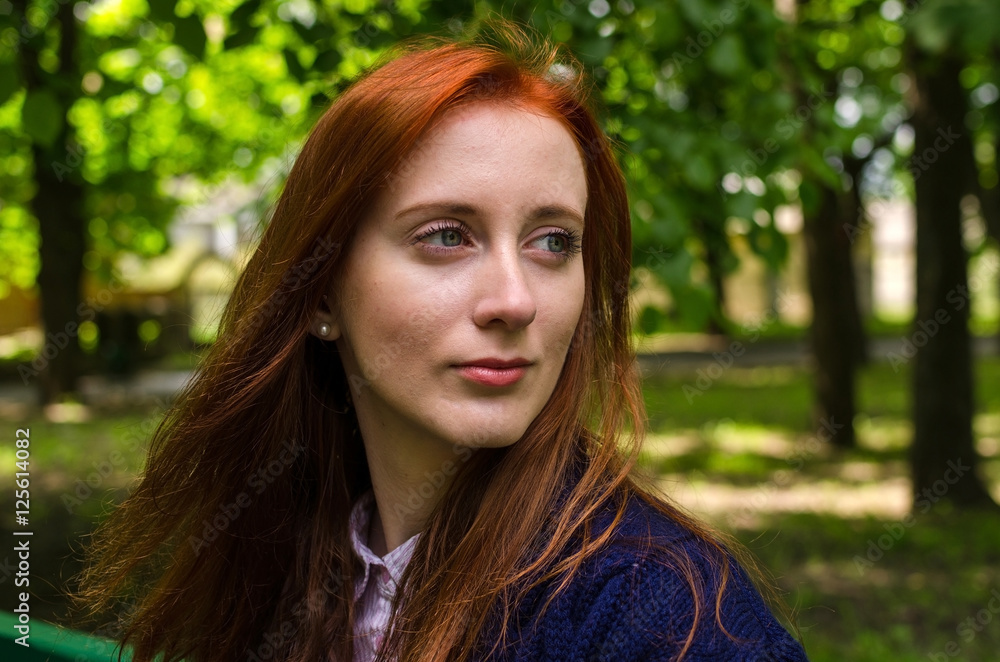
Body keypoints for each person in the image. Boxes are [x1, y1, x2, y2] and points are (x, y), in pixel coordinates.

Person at [76, 19, 809, 662]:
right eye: (447, 236)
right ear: (323, 289)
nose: (515, 300)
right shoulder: (283, 556)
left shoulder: (659, 617)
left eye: (553, 242)